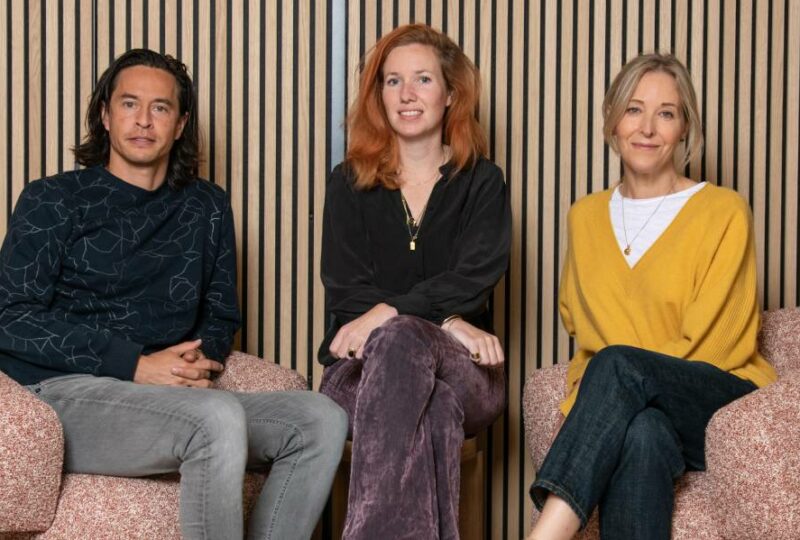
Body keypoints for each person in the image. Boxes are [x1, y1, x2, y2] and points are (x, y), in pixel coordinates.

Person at [0, 48, 347, 540]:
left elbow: (220, 314)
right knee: (216, 417)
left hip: (169, 396)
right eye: (129, 104)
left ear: (181, 124)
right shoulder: (52, 198)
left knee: (322, 419)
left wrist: (192, 365)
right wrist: (135, 365)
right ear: (105, 115)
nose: (143, 120)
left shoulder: (207, 206)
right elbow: (11, 317)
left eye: (160, 107)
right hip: (66, 393)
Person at [526, 53, 778, 540]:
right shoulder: (584, 217)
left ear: (684, 128)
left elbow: (720, 344)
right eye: (634, 109)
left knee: (620, 367)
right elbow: (582, 329)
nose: (647, 128)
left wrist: (624, 379)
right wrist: (611, 398)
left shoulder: (724, 211)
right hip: (639, 404)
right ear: (613, 120)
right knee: (643, 434)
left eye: (666, 113)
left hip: (717, 396)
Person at [318, 23, 510, 540]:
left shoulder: (482, 182)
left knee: (403, 337)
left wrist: (389, 313)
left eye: (423, 79)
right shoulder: (348, 183)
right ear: (378, 97)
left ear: (450, 94)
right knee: (436, 410)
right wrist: (446, 320)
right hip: (357, 372)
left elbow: (473, 278)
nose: (407, 94)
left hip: (467, 370)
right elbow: (347, 293)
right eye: (392, 81)